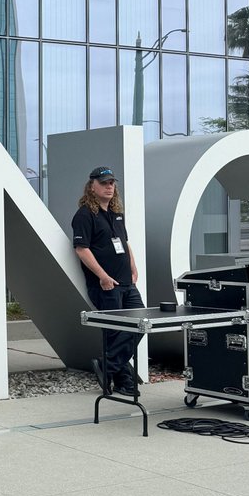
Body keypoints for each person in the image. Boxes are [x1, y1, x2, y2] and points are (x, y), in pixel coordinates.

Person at [72, 165, 144, 396]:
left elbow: (125, 242)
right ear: (91, 186)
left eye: (112, 183)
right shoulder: (84, 215)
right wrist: (102, 276)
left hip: (127, 284)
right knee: (115, 332)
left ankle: (107, 366)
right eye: (104, 183)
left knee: (141, 322)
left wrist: (133, 266)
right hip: (106, 285)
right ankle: (123, 380)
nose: (109, 186)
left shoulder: (116, 213)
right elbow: (81, 249)